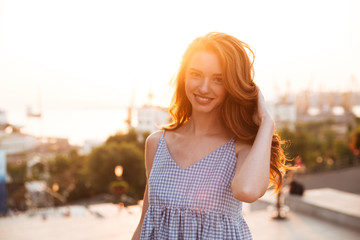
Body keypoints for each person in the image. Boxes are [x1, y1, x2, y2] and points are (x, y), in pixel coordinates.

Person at [132, 32, 289, 239]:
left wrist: (267, 121)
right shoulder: (156, 143)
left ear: (232, 85)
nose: (204, 88)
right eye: (196, 74)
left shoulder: (240, 147)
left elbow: (248, 191)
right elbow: (147, 221)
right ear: (184, 76)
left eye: (218, 79)